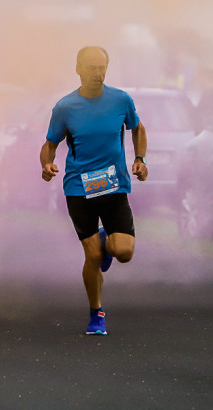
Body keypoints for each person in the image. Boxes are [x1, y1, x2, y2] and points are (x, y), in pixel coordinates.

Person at [40, 46, 148, 336]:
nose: (97, 74)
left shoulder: (121, 100)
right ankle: (96, 314)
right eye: (91, 68)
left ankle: (105, 238)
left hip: (114, 187)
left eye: (102, 68)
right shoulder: (65, 107)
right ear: (78, 69)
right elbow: (50, 144)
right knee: (94, 257)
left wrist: (140, 159)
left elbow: (137, 128)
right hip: (79, 189)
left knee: (123, 252)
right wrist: (47, 165)